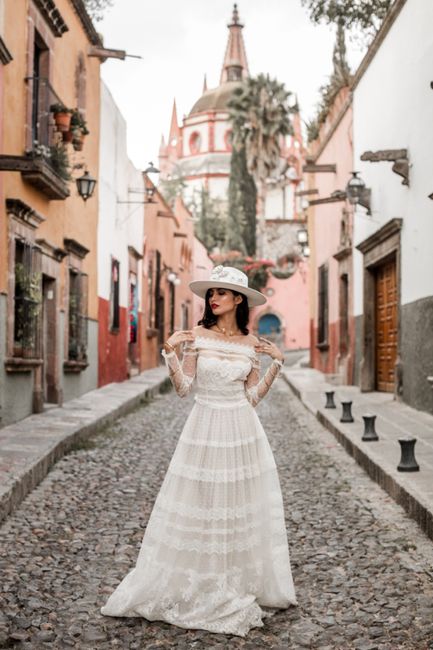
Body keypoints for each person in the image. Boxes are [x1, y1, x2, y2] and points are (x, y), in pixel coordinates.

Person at [101, 265, 297, 637]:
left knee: (234, 504)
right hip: (203, 426)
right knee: (202, 501)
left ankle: (231, 578)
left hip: (241, 429)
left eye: (221, 293)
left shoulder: (251, 343)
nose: (213, 298)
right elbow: (183, 389)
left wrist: (277, 364)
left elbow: (252, 397)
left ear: (238, 299)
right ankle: (198, 578)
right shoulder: (197, 337)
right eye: (211, 293)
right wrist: (170, 353)